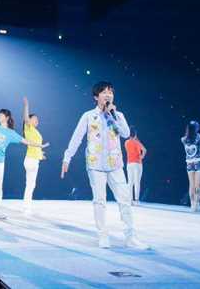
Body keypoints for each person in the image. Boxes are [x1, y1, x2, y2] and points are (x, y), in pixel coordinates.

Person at [61, 82, 149, 250]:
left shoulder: (118, 115)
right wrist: (67, 157)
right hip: (95, 165)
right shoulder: (88, 116)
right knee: (99, 201)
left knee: (125, 200)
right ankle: (103, 236)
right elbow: (77, 137)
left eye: (110, 92)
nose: (108, 95)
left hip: (115, 164)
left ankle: (131, 237)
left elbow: (125, 134)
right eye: (104, 92)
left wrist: (114, 115)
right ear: (96, 97)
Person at [0, 93, 48, 219]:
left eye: (1, 115)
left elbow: (25, 141)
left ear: (6, 117)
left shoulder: (11, 133)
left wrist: (39, 146)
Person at [21, 96, 45, 216]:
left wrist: (41, 154)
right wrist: (26, 106)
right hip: (30, 160)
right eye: (34, 119)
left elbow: (36, 146)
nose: (37, 120)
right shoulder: (29, 128)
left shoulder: (36, 132)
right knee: (30, 184)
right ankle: (26, 206)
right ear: (29, 121)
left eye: (37, 119)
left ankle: (26, 205)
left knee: (31, 184)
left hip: (35, 159)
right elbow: (25, 118)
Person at [182, 120, 200, 213]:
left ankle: (192, 205)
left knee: (191, 185)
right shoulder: (199, 137)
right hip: (199, 162)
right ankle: (197, 204)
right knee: (198, 186)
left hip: (189, 163)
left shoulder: (184, 139)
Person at [124, 128, 146, 205]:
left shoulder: (126, 142)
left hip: (129, 164)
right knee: (137, 182)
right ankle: (136, 200)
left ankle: (129, 200)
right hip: (137, 164)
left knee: (130, 182)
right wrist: (142, 156)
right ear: (135, 134)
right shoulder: (137, 142)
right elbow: (144, 150)